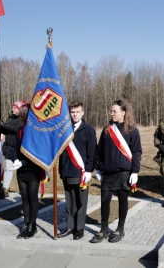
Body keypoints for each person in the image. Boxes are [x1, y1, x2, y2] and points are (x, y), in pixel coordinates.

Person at [91, 99, 142, 244]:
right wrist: (98, 168)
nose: (111, 113)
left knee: (122, 200)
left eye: (115, 111)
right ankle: (104, 228)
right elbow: (99, 150)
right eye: (111, 111)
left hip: (123, 172)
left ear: (123, 113)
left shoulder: (132, 130)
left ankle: (120, 228)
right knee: (105, 201)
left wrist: (135, 172)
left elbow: (137, 152)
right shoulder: (107, 129)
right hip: (107, 172)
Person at [57, 101, 97, 240]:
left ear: (82, 112)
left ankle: (79, 228)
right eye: (72, 112)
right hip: (66, 170)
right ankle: (69, 226)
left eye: (77, 112)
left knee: (80, 202)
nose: (74, 115)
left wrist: (88, 170)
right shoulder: (65, 129)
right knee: (69, 201)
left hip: (80, 173)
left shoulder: (89, 130)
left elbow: (92, 152)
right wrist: (61, 169)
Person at [11, 103, 41, 239]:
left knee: (32, 196)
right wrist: (15, 159)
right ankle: (26, 224)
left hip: (33, 168)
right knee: (24, 197)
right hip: (21, 169)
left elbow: (37, 153)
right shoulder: (20, 130)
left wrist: (23, 162)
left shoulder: (36, 131)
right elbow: (13, 147)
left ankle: (33, 225)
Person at [0, 100, 26, 197]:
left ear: (20, 109)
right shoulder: (10, 118)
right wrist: (0, 126)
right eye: (12, 107)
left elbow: (14, 129)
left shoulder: (23, 119)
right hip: (9, 148)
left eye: (14, 108)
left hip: (20, 148)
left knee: (21, 171)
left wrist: (4, 125)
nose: (12, 109)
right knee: (8, 169)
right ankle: (5, 188)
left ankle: (24, 189)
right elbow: (6, 131)